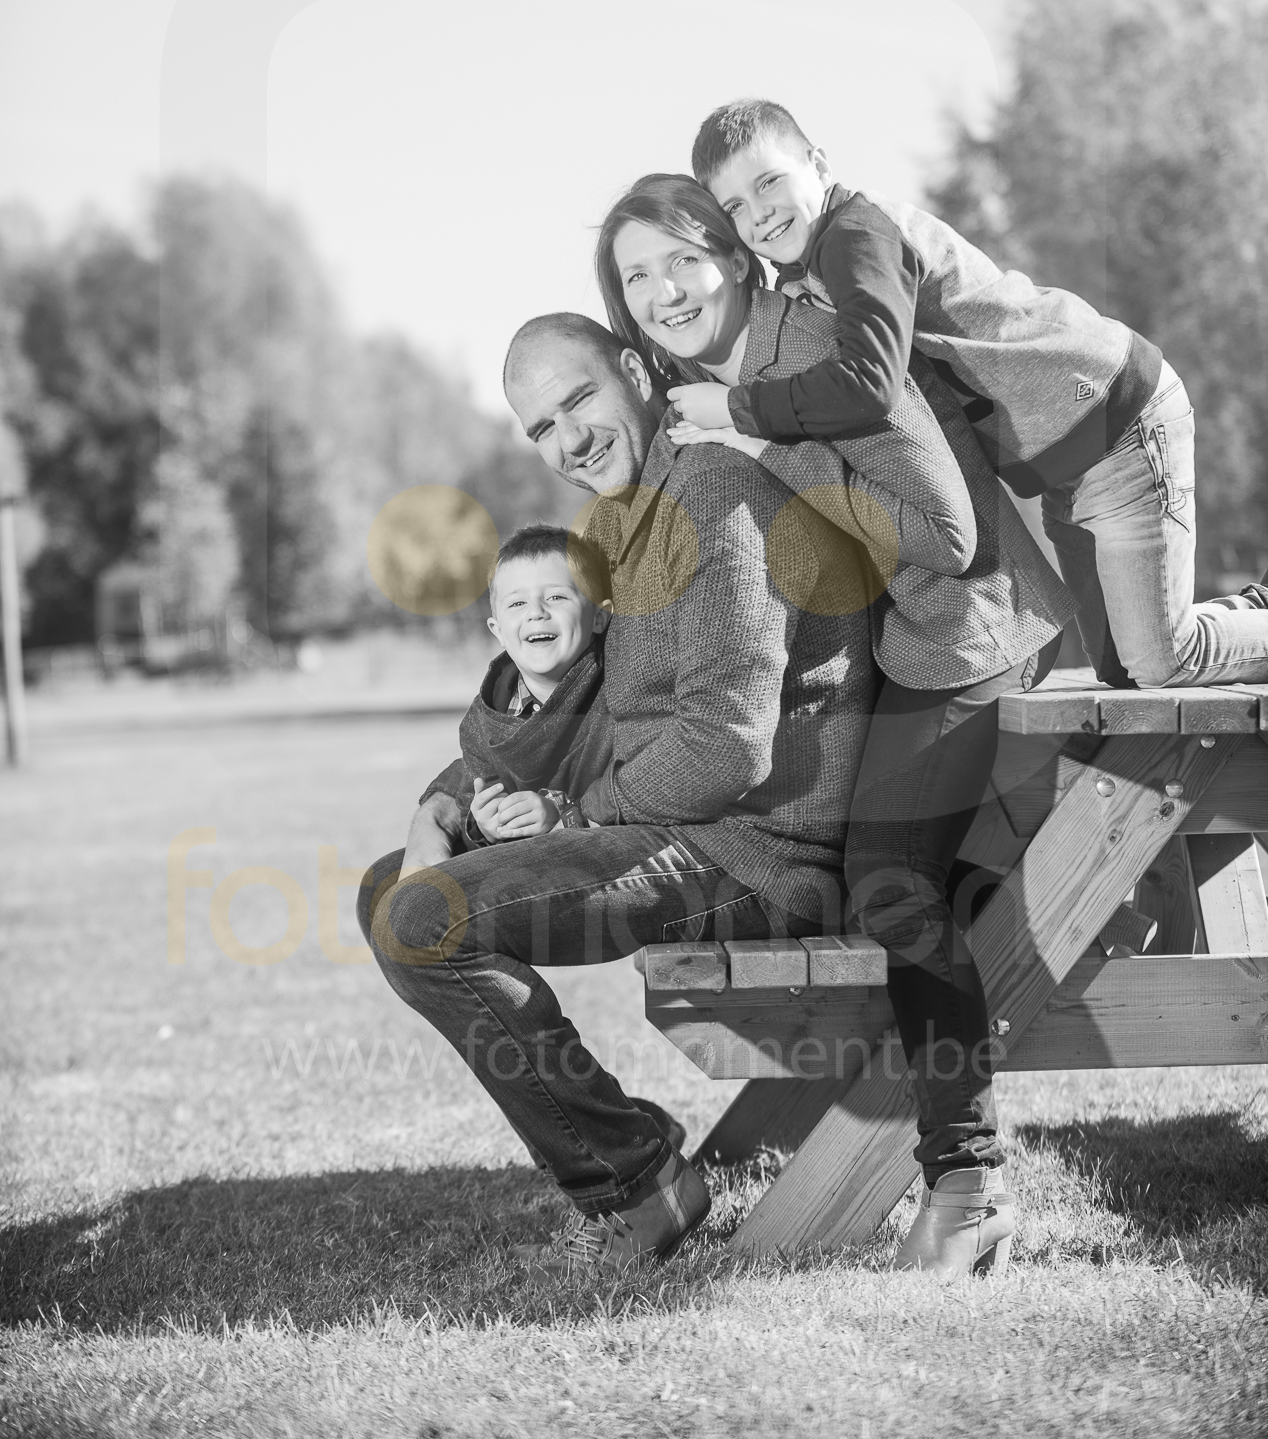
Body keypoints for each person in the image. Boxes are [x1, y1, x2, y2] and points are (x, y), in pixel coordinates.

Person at [595, 173, 1075, 1276]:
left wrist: (767, 447)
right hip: (887, 656)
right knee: (869, 878)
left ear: (733, 255)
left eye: (681, 259)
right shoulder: (701, 388)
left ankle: (968, 1186)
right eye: (637, 276)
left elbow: (945, 535)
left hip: (964, 632)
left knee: (891, 885)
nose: (664, 291)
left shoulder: (810, 344)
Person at [358, 313, 879, 1278]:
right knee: (392, 887)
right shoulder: (618, 522)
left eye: (579, 400)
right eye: (541, 428)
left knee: (424, 921)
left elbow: (726, 747)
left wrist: (579, 815)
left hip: (755, 854)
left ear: (637, 372)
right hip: (676, 833)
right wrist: (441, 809)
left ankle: (633, 1180)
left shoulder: (714, 496)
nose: (569, 440)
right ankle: (631, 1149)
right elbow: (553, 709)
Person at [680, 96, 1268, 693]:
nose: (759, 212)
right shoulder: (806, 272)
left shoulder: (857, 237)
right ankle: (1254, 611)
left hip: (1117, 424)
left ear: (819, 164)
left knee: (1163, 663)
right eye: (735, 206)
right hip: (1065, 467)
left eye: (769, 181)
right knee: (1119, 667)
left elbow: (871, 382)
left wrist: (737, 409)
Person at [402, 523, 615, 870]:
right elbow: (477, 797)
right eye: (517, 602)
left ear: (599, 617)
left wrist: (562, 813)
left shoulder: (616, 694)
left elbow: (632, 786)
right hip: (519, 859)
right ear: (498, 630)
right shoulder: (484, 720)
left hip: (596, 859)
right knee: (383, 882)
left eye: (556, 597)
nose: (536, 612)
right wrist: (486, 828)